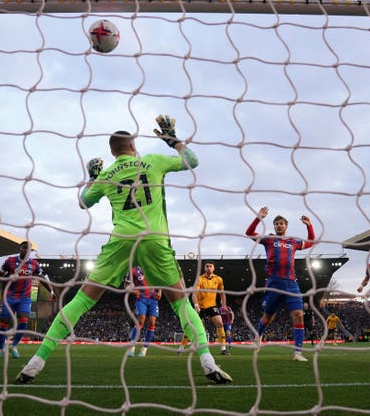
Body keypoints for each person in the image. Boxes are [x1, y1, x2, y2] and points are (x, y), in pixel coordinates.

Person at [16, 115, 232, 384]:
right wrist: (173, 141)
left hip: (121, 240)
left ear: (112, 152)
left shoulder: (107, 175)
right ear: (133, 147)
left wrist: (93, 177)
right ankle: (208, 362)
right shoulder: (152, 161)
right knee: (180, 303)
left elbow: (84, 202)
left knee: (81, 301)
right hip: (154, 239)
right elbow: (193, 161)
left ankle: (35, 362)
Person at [245, 206, 315, 362]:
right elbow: (249, 233)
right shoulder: (269, 239)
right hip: (273, 283)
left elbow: (311, 242)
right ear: (274, 227)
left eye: (282, 223)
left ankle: (298, 353)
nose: (279, 225)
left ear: (286, 226)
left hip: (291, 283)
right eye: (276, 223)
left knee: (298, 315)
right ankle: (258, 337)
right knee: (268, 318)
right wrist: (258, 217)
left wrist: (309, 225)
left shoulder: (293, 242)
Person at [0, 241, 56, 359]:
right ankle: (1, 349)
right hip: (9, 297)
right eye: (24, 248)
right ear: (20, 249)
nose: (26, 251)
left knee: (24, 319)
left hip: (24, 298)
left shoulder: (34, 264)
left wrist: (51, 291)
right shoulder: (10, 261)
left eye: (28, 249)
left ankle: (14, 346)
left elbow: (42, 279)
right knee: (4, 321)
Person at [191, 262, 230, 355]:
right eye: (207, 266)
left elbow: (222, 294)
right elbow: (194, 294)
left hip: (212, 306)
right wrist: (196, 305)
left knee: (220, 323)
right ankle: (186, 346)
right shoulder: (200, 279)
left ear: (213, 268)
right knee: (196, 327)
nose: (209, 268)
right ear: (205, 268)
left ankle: (223, 348)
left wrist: (224, 306)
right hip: (200, 307)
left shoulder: (218, 279)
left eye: (210, 266)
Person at [126, 265, 161, 357]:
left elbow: (160, 282)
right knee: (141, 319)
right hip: (141, 299)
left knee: (152, 322)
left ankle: (144, 349)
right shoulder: (133, 270)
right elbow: (126, 286)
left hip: (153, 300)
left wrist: (159, 292)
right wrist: (134, 291)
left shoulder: (153, 267)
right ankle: (132, 347)